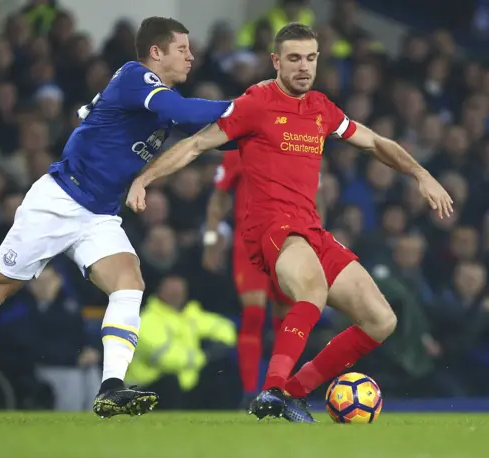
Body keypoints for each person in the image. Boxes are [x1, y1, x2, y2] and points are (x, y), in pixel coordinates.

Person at [0, 17, 233, 420]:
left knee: (129, 281)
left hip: (99, 214)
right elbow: (187, 112)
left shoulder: (159, 97)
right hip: (59, 201)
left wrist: (271, 123)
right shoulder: (138, 78)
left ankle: (110, 388)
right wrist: (248, 106)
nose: (192, 56)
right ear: (156, 52)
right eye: (182, 49)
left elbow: (217, 131)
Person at [125, 23, 453, 423]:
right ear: (276, 61)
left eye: (311, 58)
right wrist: (144, 178)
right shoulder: (256, 102)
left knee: (381, 320)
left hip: (311, 229)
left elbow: (374, 142)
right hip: (271, 227)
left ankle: (293, 393)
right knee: (309, 294)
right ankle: (271, 389)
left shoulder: (321, 108)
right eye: (294, 58)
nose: (304, 67)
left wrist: (422, 174)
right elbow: (195, 144)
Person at [202, 149, 288, 405]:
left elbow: (317, 195)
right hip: (249, 240)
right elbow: (219, 197)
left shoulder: (296, 143)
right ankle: (250, 394)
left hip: (287, 239)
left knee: (286, 316)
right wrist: (210, 240)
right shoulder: (239, 151)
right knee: (253, 314)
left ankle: (279, 389)